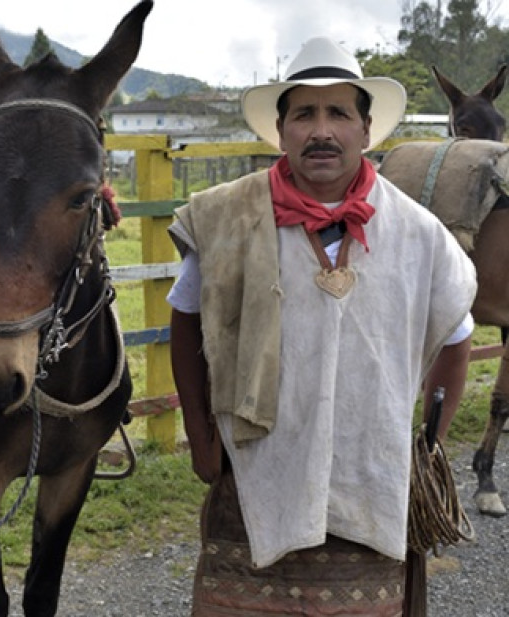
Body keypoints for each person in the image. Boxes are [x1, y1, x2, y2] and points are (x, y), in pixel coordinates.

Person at [167, 37, 477, 616]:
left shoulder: (417, 232)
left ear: (366, 130)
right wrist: (198, 428)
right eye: (304, 114)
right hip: (255, 467)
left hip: (370, 472)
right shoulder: (227, 217)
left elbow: (457, 337)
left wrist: (427, 445)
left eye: (339, 113)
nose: (322, 131)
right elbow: (184, 316)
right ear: (281, 131)